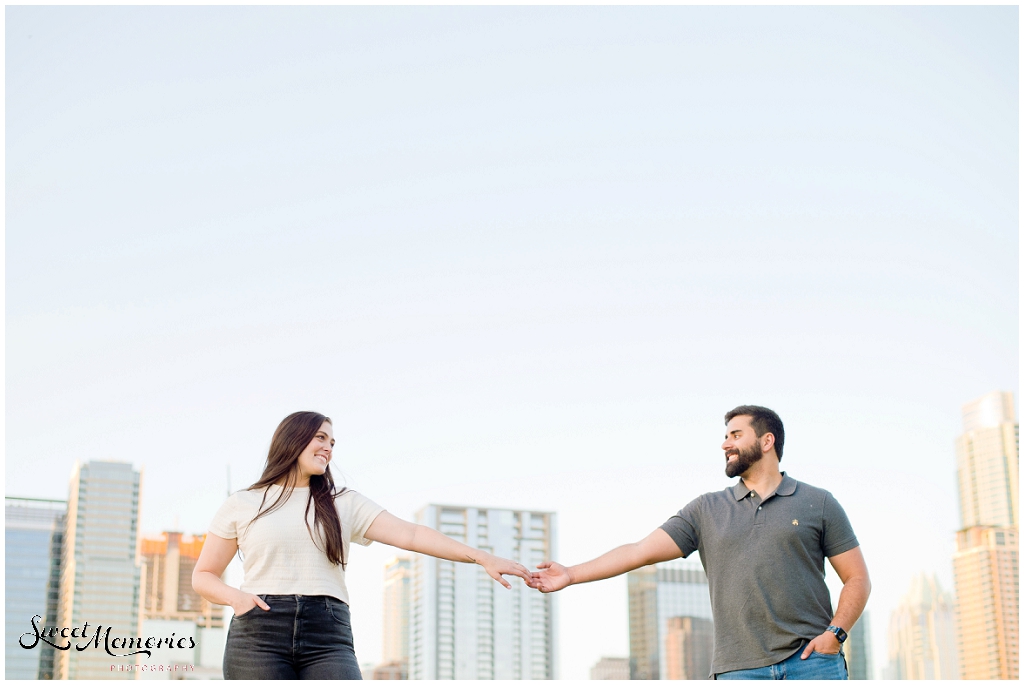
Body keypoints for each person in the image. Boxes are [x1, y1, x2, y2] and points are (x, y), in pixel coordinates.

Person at [529, 405, 870, 680]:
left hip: (811, 665)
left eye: (736, 435)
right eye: (725, 436)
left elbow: (857, 579)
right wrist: (571, 574)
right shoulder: (706, 510)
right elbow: (638, 552)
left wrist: (834, 635)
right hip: (739, 669)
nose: (725, 444)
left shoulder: (817, 502)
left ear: (767, 442)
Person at [193, 411, 531, 680]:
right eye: (321, 437)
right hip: (259, 631)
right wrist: (238, 600)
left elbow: (411, 534)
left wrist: (481, 557)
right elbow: (204, 575)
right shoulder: (244, 502)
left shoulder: (343, 502)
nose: (328, 447)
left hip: (327, 632)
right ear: (293, 439)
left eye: (332, 441)